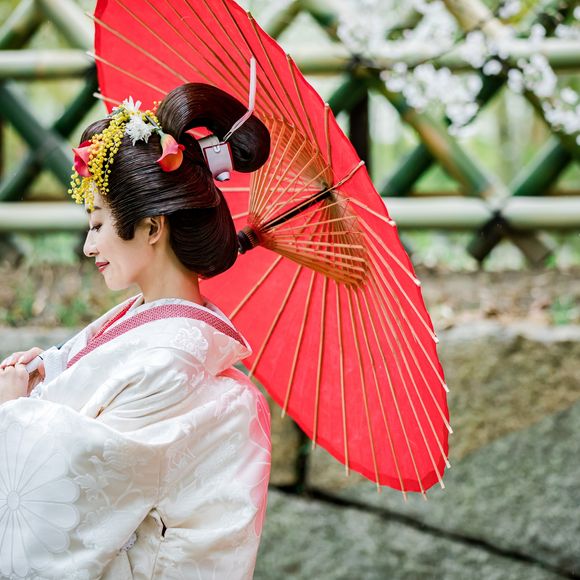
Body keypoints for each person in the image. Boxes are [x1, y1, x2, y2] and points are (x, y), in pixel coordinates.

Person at [0, 83, 272, 579]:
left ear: (151, 227)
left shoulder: (171, 359)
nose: (88, 246)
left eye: (98, 225)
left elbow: (75, 488)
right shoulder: (153, 329)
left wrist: (15, 414)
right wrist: (50, 372)